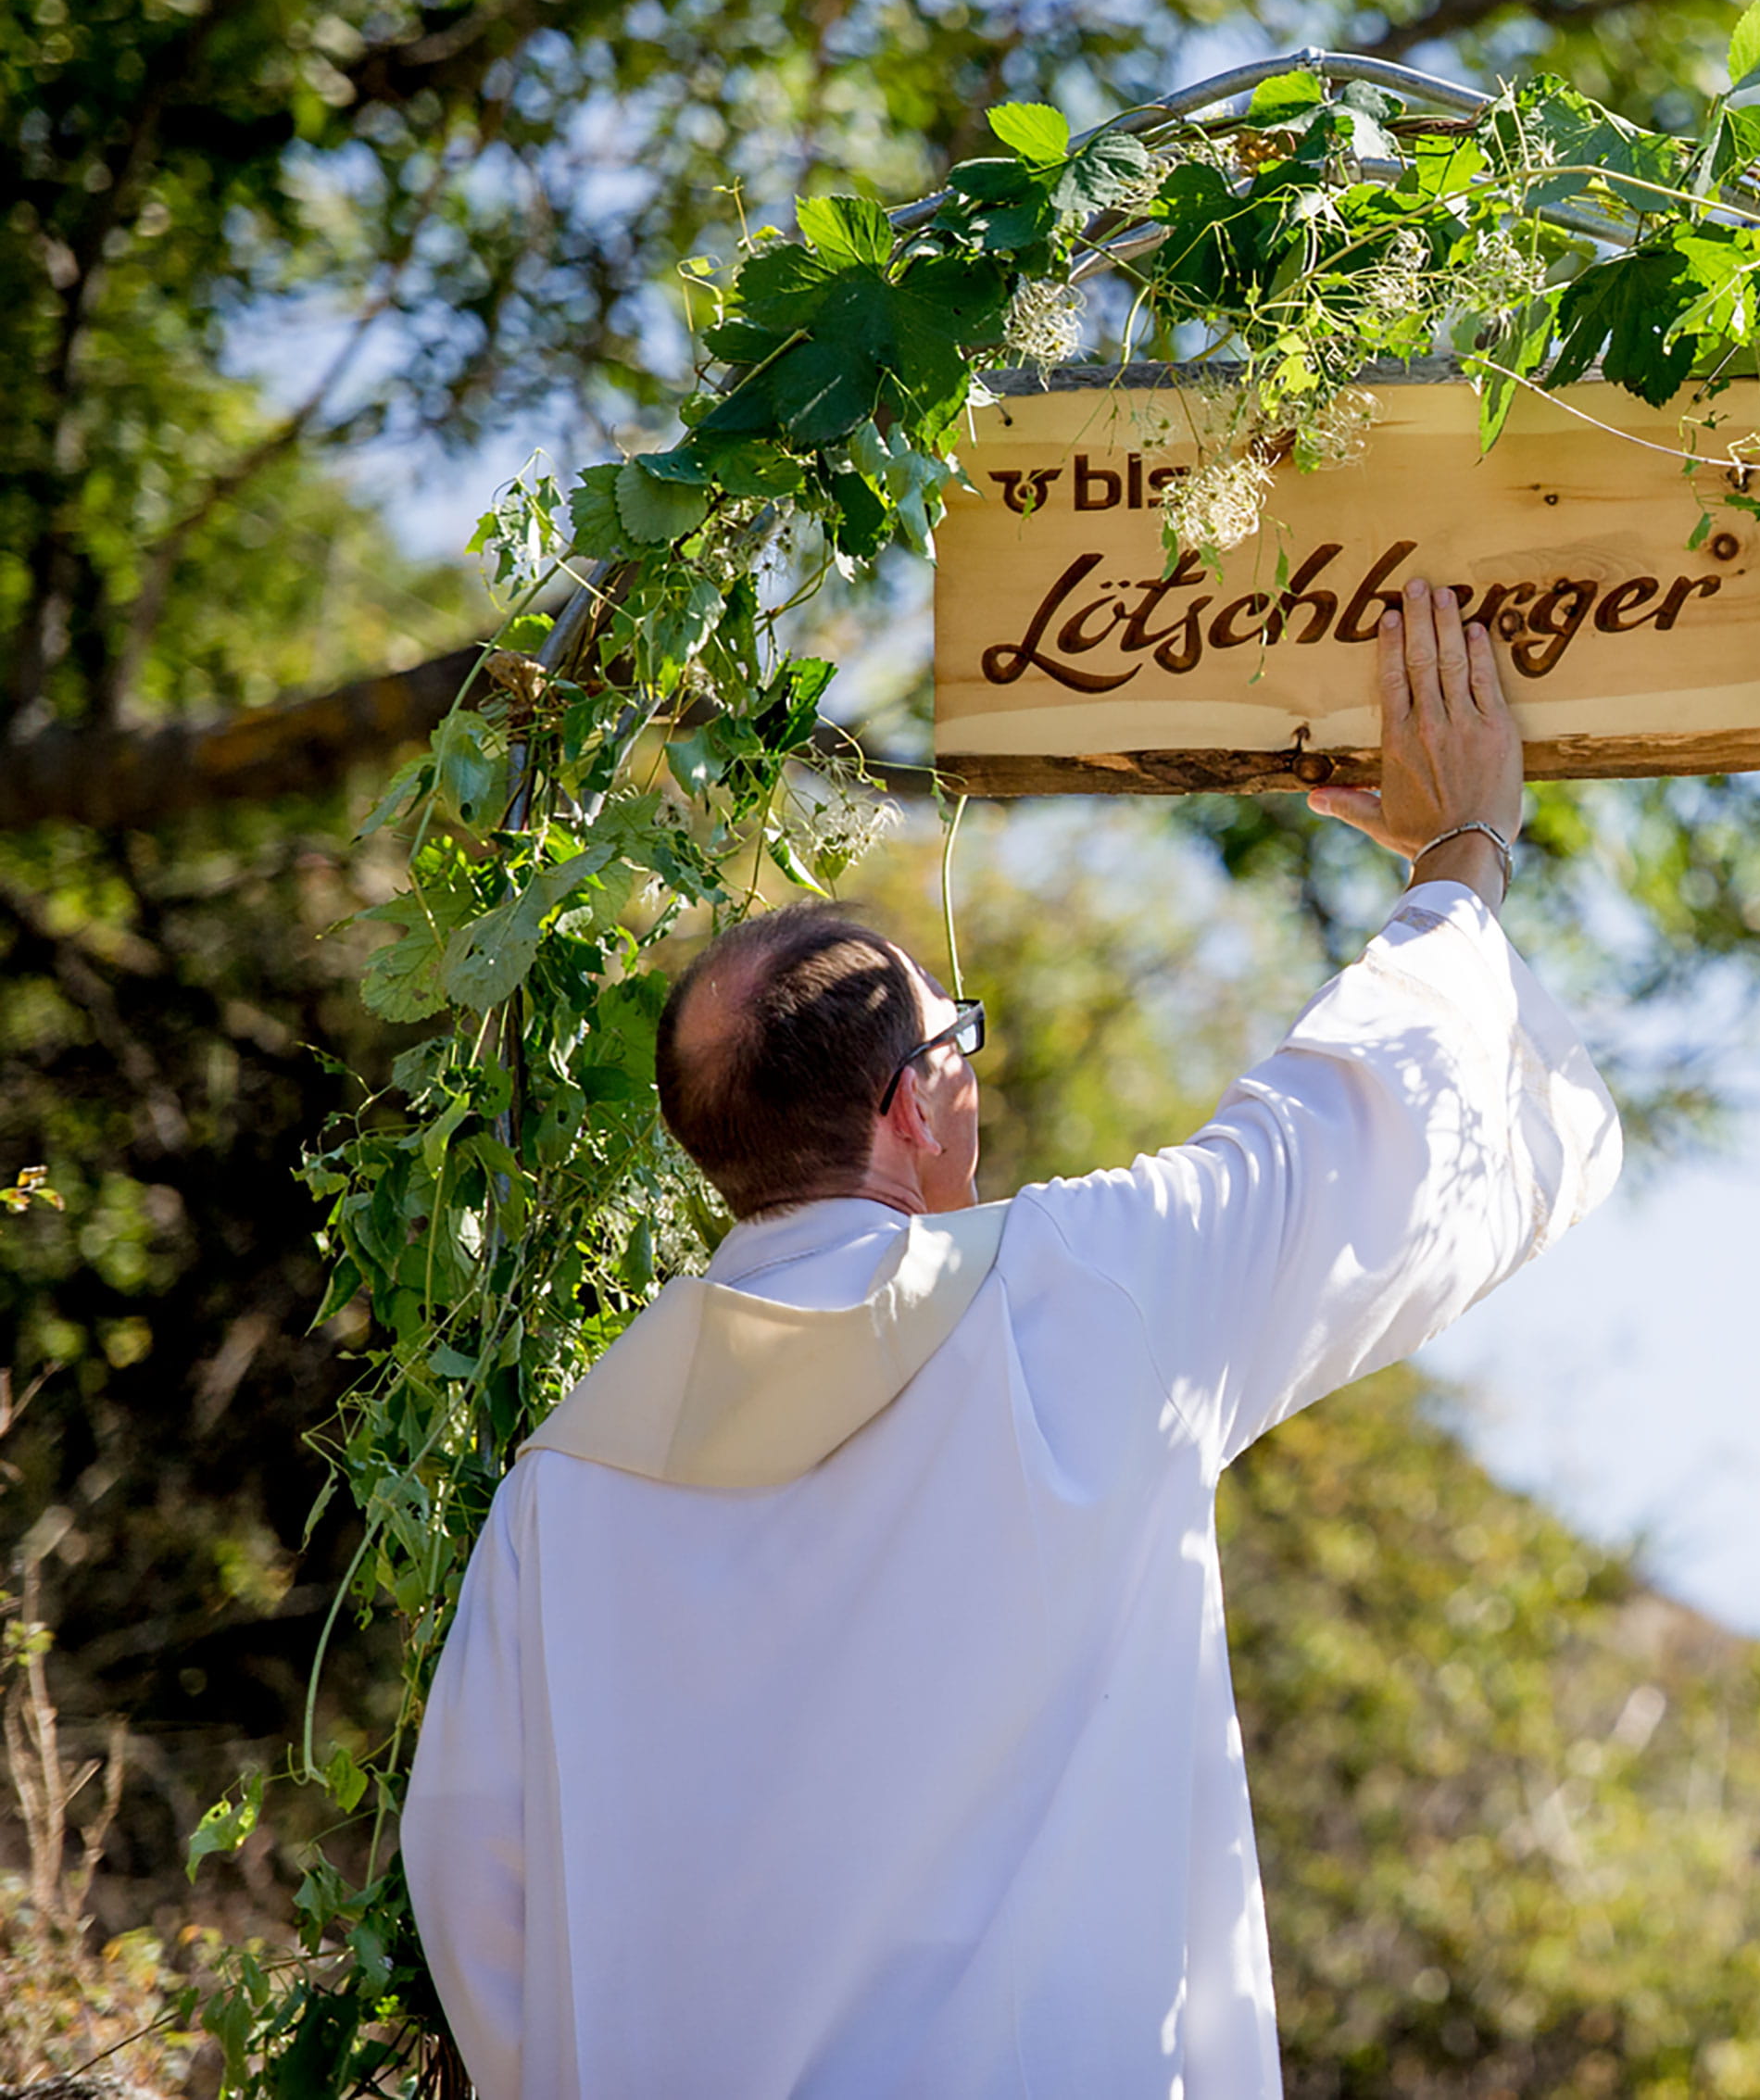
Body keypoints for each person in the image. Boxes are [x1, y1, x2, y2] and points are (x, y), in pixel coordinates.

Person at [401, 582, 1618, 2098]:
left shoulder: (559, 1497)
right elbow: (1363, 1140)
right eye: (956, 1043)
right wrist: (1462, 854)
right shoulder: (1082, 1294)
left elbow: (470, 1880)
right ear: (916, 1104)